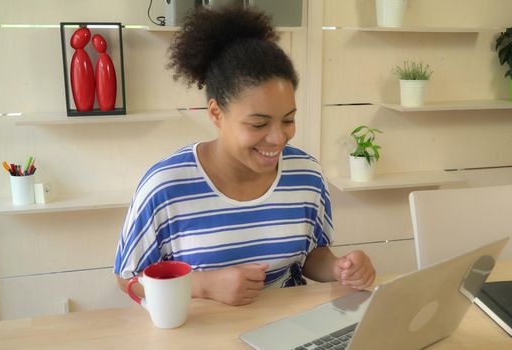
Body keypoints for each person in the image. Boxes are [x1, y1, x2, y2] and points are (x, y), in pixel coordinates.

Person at [114, 5, 375, 306]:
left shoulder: (307, 174)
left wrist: (339, 268)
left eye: (288, 119)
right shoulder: (166, 186)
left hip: (289, 327)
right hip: (201, 332)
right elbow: (128, 279)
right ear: (216, 113)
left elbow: (311, 254)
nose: (279, 138)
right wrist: (203, 285)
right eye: (259, 124)